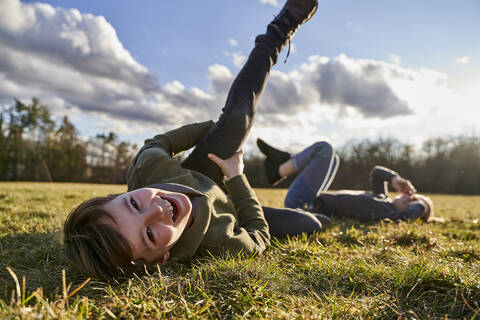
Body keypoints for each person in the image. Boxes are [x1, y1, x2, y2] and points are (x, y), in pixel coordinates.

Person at [64, 0, 330, 281]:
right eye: (150, 234)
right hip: (235, 210)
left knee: (236, 119)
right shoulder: (221, 242)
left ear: (121, 194)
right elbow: (259, 237)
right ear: (161, 260)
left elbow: (157, 142)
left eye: (133, 205)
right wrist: (236, 178)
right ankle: (319, 203)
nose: (157, 209)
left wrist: (216, 130)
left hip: (201, 171)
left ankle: (279, 29)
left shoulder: (149, 167)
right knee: (313, 224)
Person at [256, 138, 435, 223]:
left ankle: (280, 169)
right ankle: (286, 161)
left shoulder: (387, 215)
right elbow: (376, 173)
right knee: (334, 158)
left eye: (413, 202)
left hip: (304, 205)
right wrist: (396, 179)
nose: (409, 197)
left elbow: (406, 217)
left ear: (415, 211)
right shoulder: (382, 198)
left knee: (324, 149)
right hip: (313, 199)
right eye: (412, 196)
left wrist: (422, 206)